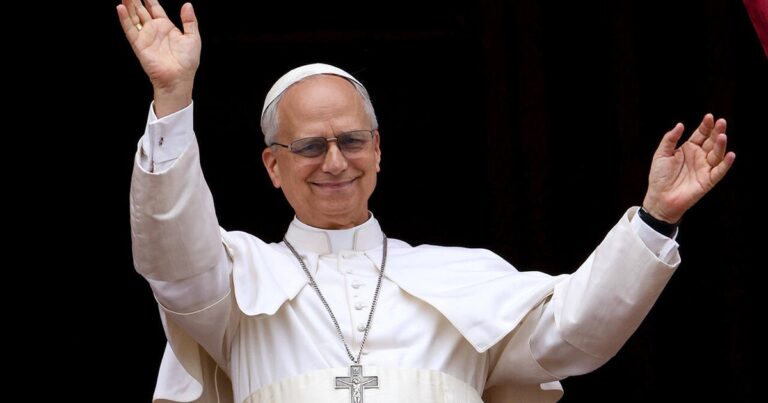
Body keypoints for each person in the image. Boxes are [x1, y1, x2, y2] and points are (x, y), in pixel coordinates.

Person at [117, 1, 736, 402]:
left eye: (351, 141)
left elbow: (576, 332)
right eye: (308, 147)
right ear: (272, 166)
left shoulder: (464, 277)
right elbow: (172, 254)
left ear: (378, 150)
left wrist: (656, 218)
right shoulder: (234, 279)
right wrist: (172, 100)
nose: (334, 162)